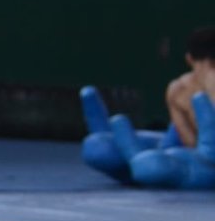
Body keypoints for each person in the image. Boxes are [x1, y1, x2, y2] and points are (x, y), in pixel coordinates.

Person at [81, 25, 215, 189]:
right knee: (102, 148)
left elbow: (188, 138)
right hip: (189, 147)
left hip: (200, 150)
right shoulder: (178, 89)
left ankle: (139, 161)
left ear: (188, 59)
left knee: (155, 162)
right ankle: (139, 161)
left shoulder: (177, 89)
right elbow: (187, 139)